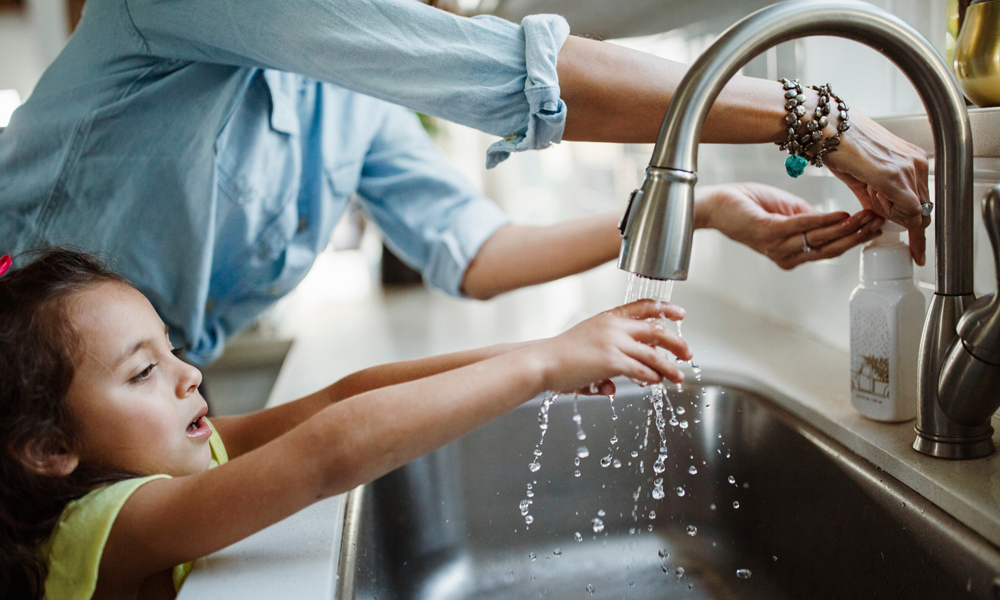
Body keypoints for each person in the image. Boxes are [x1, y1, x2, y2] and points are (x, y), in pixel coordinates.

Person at [0, 0, 925, 364]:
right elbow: (530, 79)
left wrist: (710, 208)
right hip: (25, 401)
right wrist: (818, 117)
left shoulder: (345, 91)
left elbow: (476, 252)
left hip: (137, 422)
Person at [0, 248, 691, 600]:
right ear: (50, 447)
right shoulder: (97, 530)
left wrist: (547, 355)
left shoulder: (181, 456)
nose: (189, 374)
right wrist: (539, 365)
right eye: (144, 369)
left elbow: (343, 395)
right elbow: (325, 448)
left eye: (172, 347)